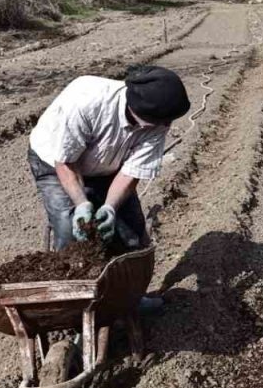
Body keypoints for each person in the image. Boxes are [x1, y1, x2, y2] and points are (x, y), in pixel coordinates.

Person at [28, 65, 190, 251]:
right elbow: (65, 162)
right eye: (161, 121)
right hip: (57, 164)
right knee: (69, 231)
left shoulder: (159, 122)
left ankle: (126, 276)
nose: (166, 125)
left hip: (108, 165)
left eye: (168, 120)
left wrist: (110, 207)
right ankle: (74, 277)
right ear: (138, 110)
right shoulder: (87, 104)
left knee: (132, 236)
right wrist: (81, 203)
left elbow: (131, 172)